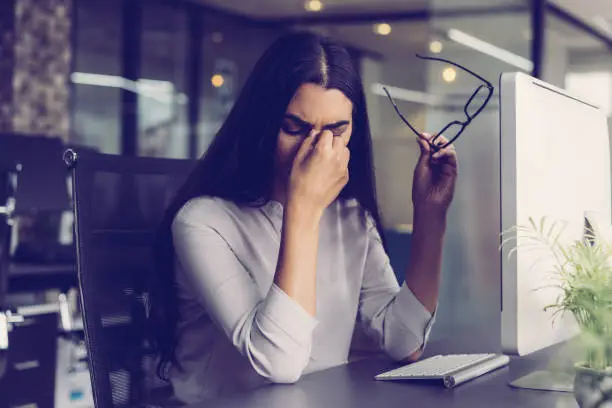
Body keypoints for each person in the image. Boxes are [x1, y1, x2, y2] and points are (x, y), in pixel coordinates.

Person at [149, 31, 458, 404]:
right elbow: (278, 363)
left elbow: (404, 342)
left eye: (336, 130)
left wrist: (430, 215)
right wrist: (304, 208)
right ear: (263, 124)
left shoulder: (350, 217)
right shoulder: (201, 222)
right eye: (295, 129)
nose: (317, 149)